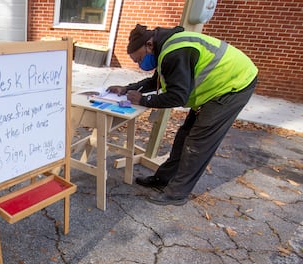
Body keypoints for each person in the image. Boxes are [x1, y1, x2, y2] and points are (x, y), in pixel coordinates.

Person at [107, 24, 258, 206]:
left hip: (232, 86)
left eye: (139, 59)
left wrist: (144, 101)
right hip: (215, 87)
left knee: (198, 143)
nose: (140, 64)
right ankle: (163, 180)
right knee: (183, 136)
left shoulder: (175, 52)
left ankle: (176, 193)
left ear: (148, 45)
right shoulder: (165, 48)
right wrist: (127, 89)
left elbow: (177, 96)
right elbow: (157, 81)